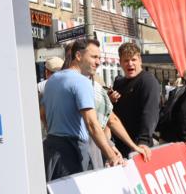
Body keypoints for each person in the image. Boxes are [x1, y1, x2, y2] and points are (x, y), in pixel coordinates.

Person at [40, 38, 127, 180]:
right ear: (78, 56)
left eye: (99, 57)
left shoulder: (52, 80)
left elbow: (42, 114)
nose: (98, 62)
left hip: (52, 148)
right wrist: (111, 156)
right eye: (93, 57)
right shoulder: (82, 82)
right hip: (71, 152)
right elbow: (92, 124)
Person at [111, 42, 161, 153]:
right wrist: (111, 101)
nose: (130, 64)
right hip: (118, 144)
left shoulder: (148, 81)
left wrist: (143, 141)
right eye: (126, 60)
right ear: (120, 63)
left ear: (140, 61)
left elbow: (150, 112)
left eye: (133, 60)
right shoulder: (119, 83)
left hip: (137, 146)